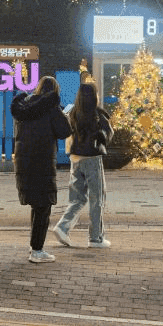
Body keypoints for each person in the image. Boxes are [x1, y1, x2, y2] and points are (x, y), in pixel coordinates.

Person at [11, 75, 72, 263]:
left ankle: (34, 246)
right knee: (43, 206)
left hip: (24, 162)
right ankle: (37, 251)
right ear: (54, 91)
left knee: (36, 205)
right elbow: (65, 131)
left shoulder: (24, 107)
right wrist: (64, 116)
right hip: (42, 162)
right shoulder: (51, 108)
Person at [53, 82, 113, 248]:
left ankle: (63, 227)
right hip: (92, 158)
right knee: (97, 198)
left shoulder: (72, 113)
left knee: (77, 198)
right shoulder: (97, 114)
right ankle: (96, 238)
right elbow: (108, 134)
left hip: (75, 159)